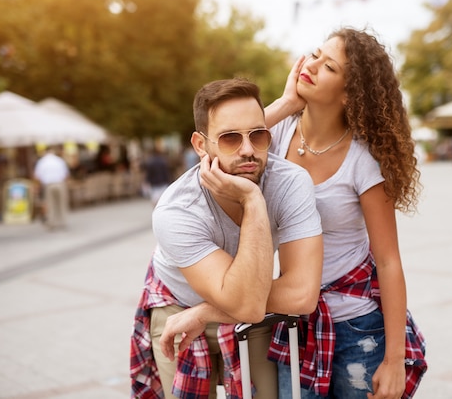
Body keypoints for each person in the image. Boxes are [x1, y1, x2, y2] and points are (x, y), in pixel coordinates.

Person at [130, 78, 324, 399]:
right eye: (230, 138)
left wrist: (252, 200)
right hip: (177, 308)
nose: (248, 150)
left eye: (258, 135)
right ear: (200, 145)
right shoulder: (176, 209)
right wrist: (253, 199)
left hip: (246, 306)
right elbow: (246, 302)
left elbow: (302, 296)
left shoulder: (291, 182)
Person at [264, 27, 427, 398]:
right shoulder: (275, 134)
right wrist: (287, 103)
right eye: (315, 54)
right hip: (294, 322)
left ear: (350, 94)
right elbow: (217, 148)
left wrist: (394, 360)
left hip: (358, 328)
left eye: (329, 67)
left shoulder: (362, 161)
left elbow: (388, 261)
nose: (312, 65)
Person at [33, 145, 70, 230]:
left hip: (49, 184)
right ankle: (63, 221)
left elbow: (36, 176)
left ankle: (52, 223)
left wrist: (38, 186)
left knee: (51, 204)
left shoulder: (42, 161)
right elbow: (66, 175)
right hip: (60, 183)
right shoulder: (59, 160)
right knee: (61, 203)